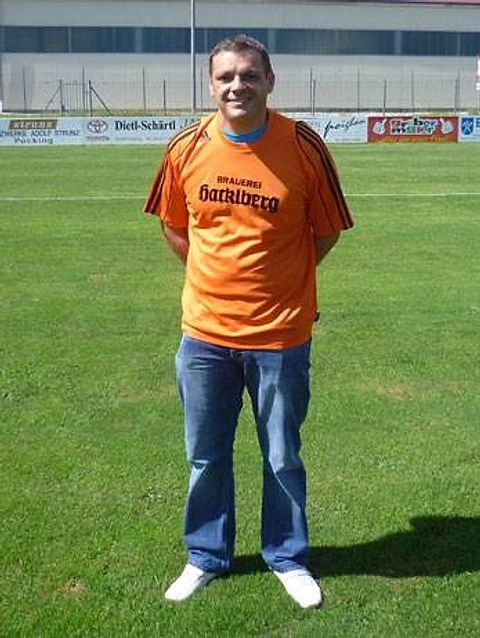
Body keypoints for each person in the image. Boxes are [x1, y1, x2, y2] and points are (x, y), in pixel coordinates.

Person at [143, 34, 353, 609]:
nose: (238, 86)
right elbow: (173, 225)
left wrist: (278, 282)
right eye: (226, 77)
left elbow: (327, 231)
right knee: (205, 455)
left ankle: (287, 557)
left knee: (282, 456)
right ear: (210, 85)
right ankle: (205, 556)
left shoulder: (304, 147)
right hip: (204, 337)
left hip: (280, 337)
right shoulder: (185, 148)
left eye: (249, 75)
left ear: (269, 81)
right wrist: (217, 278)